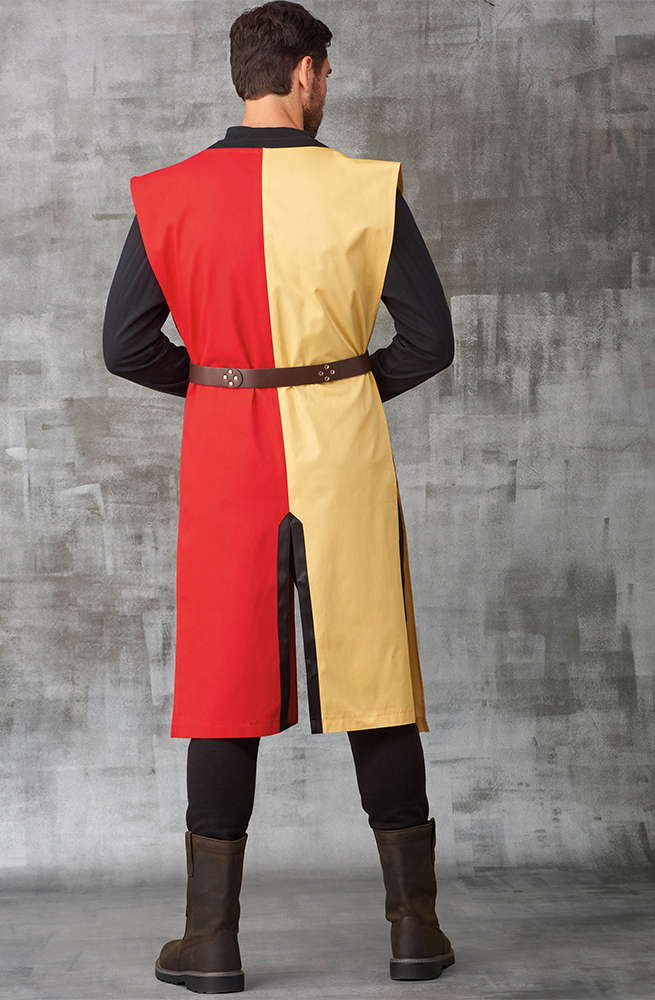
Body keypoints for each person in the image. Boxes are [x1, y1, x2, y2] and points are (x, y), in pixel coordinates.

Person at [103, 2, 454, 992]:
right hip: (343, 449)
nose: (325, 87)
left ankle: (209, 941)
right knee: (373, 667)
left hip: (227, 450)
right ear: (303, 74)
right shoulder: (366, 189)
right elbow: (429, 341)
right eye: (325, 73)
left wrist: (220, 388)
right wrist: (343, 390)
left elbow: (124, 346)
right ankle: (415, 930)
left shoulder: (167, 195)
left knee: (223, 679)